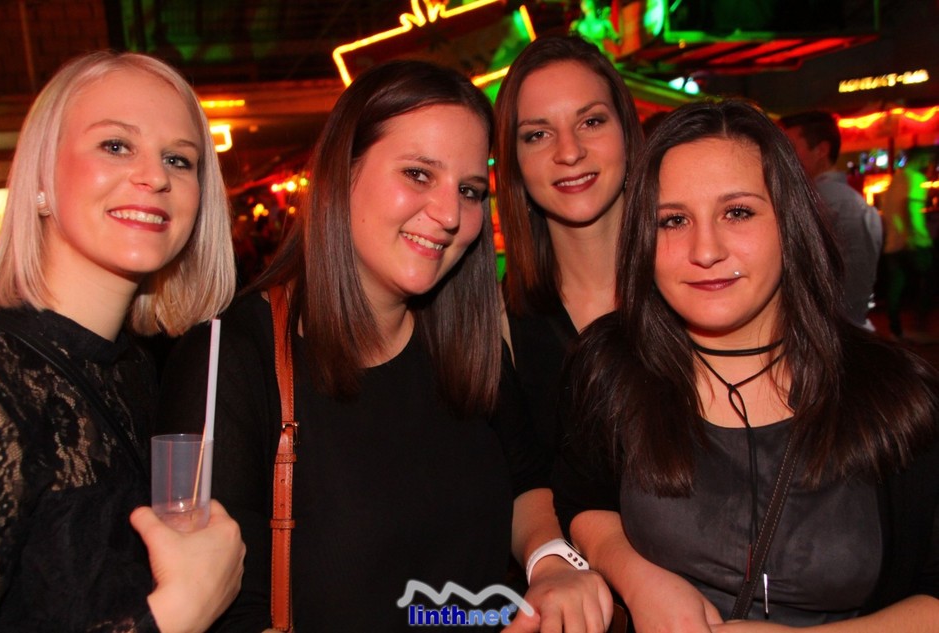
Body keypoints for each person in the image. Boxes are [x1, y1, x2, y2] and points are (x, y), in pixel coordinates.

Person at [157, 59, 612, 632]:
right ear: (341, 173)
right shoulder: (229, 358)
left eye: (469, 190)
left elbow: (526, 480)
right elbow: (218, 608)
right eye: (419, 174)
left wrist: (552, 563)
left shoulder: (463, 337)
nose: (450, 214)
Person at [553, 99, 939, 629]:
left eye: (737, 212)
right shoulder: (611, 365)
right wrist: (637, 576)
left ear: (790, 222)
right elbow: (582, 498)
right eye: (673, 220)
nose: (705, 250)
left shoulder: (898, 393)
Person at [0, 51, 245, 631]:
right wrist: (179, 612)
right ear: (40, 182)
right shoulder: (0, 385)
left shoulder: (136, 371)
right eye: (115, 145)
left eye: (179, 159)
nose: (156, 177)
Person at [494, 34, 643, 469]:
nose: (570, 152)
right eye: (538, 134)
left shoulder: (699, 280)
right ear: (515, 164)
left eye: (591, 121)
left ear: (626, 133)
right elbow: (525, 483)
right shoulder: (500, 322)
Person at [780, 110, 883, 329]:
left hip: (834, 331)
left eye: (790, 147)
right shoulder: (845, 200)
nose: (782, 157)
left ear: (821, 150)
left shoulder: (825, 201)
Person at [880, 150, 936, 342]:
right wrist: (911, 236)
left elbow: (889, 210)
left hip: (893, 242)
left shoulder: (894, 180)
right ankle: (920, 324)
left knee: (897, 283)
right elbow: (909, 207)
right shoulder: (915, 178)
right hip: (912, 241)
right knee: (930, 277)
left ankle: (896, 329)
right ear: (922, 160)